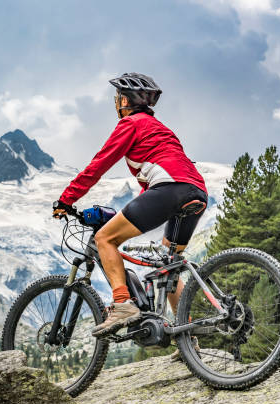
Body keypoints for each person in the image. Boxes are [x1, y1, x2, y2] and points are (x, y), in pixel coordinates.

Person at [52, 73, 208, 343]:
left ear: (124, 100)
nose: (116, 102)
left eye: (117, 98)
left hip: (169, 189)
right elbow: (153, 189)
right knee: (169, 266)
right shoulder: (160, 129)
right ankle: (189, 339)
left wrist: (67, 199)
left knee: (104, 238)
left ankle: (123, 303)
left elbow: (98, 165)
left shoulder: (130, 124)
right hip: (196, 192)